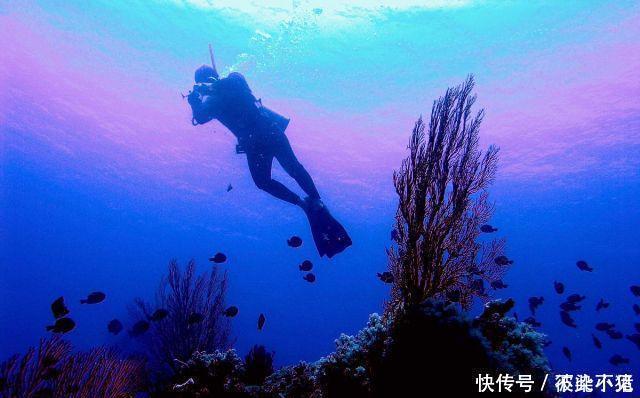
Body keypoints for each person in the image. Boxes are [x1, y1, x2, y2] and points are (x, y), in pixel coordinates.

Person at [187, 48, 351, 258]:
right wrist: (194, 103)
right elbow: (199, 118)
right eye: (202, 83)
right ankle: (302, 203)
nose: (206, 84)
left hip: (268, 131)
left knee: (293, 167)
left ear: (216, 76)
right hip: (254, 145)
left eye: (208, 79)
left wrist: (214, 85)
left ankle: (317, 200)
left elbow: (239, 84)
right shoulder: (210, 101)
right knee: (262, 182)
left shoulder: (231, 80)